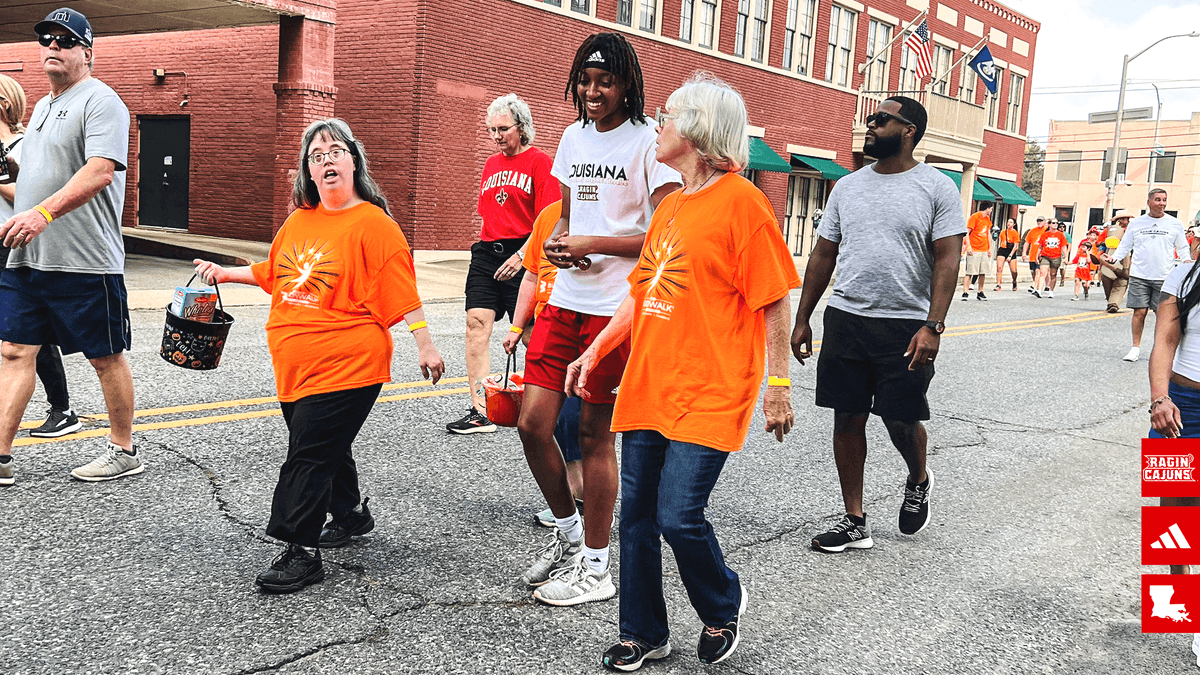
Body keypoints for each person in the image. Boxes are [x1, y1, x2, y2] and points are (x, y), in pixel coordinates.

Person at [561, 74, 797, 672]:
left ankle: (722, 601)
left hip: (711, 388)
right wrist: (596, 353)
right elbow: (642, 293)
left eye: (667, 116)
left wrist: (778, 385)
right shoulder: (670, 206)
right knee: (636, 515)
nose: (657, 124)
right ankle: (643, 633)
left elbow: (773, 298)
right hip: (649, 382)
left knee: (678, 515)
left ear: (695, 130)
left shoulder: (742, 202)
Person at [193, 118, 446, 593]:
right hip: (294, 363)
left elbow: (401, 289)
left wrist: (424, 342)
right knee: (324, 443)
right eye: (316, 155)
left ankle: (299, 550)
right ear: (307, 172)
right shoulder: (299, 220)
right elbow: (279, 270)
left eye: (334, 151)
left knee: (307, 452)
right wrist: (224, 274)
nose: (326, 159)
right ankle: (349, 514)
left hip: (349, 361)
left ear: (353, 160)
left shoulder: (374, 224)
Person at [516, 32, 681, 607]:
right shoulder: (570, 136)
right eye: (584, 81)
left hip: (616, 310)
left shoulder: (647, 143)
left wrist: (597, 243)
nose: (592, 91)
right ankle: (566, 536)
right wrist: (562, 245)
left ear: (626, 84)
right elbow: (565, 216)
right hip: (564, 299)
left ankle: (596, 564)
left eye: (604, 82)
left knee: (592, 437)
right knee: (532, 424)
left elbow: (661, 237)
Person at [791, 95, 965, 554]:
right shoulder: (847, 187)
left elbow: (948, 258)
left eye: (881, 120)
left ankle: (919, 476)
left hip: (906, 323)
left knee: (899, 419)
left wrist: (934, 325)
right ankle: (855, 520)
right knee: (846, 417)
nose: (870, 125)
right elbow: (823, 253)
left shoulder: (937, 188)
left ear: (909, 131)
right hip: (847, 317)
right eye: (871, 119)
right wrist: (804, 316)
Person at [0, 8, 137, 485]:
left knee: (105, 356)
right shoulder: (40, 107)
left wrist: (41, 214)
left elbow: (99, 171)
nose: (53, 46)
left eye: (65, 40)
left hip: (84, 260)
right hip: (27, 257)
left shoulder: (102, 102)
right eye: (47, 40)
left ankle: (124, 448)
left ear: (87, 52)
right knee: (15, 351)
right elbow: (34, 179)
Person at [447, 94, 558, 435]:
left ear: (522, 127)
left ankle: (546, 407)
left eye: (502, 129)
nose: (496, 136)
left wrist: (523, 255)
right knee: (476, 323)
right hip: (486, 251)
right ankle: (482, 410)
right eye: (491, 130)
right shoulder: (491, 164)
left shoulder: (540, 163)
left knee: (528, 335)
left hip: (523, 250)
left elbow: (549, 219)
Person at [0, 74, 81, 445]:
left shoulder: (23, 144)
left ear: (3, 104)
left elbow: (34, 199)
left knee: (24, 334)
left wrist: (1, 177)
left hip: (14, 245)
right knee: (16, 337)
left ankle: (62, 409)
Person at [501, 201, 586, 527]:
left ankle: (582, 499)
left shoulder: (606, 210)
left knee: (574, 421)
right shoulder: (549, 216)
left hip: (584, 330)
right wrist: (517, 326)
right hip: (548, 328)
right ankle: (570, 498)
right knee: (538, 423)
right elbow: (531, 278)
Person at [1146, 233, 1200, 670]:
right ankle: (1179, 607)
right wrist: (1160, 398)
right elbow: (1164, 341)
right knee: (1173, 511)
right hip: (1184, 404)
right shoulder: (1182, 276)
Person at [1111, 189, 1191, 362]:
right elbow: (1126, 244)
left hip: (1165, 277)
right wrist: (1114, 258)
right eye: (1157, 200)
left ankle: (1160, 348)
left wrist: (1187, 261)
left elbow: (1183, 247)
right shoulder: (1137, 223)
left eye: (1164, 200)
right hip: (1140, 275)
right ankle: (1135, 348)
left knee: (1163, 315)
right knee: (1139, 312)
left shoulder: (1174, 223)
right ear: (1148, 202)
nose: (1161, 203)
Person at [1095, 211, 1133, 313]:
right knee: (1107, 281)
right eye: (1126, 218)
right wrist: (1107, 242)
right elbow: (1098, 243)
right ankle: (1111, 302)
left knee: (1122, 281)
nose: (1128, 221)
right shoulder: (1109, 230)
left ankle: (1113, 303)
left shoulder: (1131, 230)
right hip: (1109, 257)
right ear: (1120, 220)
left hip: (1126, 258)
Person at [961, 203, 991, 300]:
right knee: (970, 271)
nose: (991, 211)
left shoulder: (987, 219)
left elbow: (988, 234)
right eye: (991, 209)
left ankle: (980, 291)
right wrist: (968, 246)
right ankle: (965, 292)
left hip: (984, 249)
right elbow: (967, 232)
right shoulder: (975, 217)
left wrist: (989, 248)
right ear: (987, 208)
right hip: (974, 249)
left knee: (983, 272)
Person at [1033, 220, 1068, 298]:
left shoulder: (1060, 235)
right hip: (1045, 256)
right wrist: (1037, 255)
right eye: (1053, 223)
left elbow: (1063, 246)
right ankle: (1039, 290)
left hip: (1056, 257)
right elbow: (1040, 246)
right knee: (1043, 273)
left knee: (1053, 274)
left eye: (1056, 223)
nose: (1055, 224)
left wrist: (1066, 256)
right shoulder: (1045, 235)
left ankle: (1051, 291)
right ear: (1049, 225)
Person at [994, 216, 1021, 292]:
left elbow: (1016, 246)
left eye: (1011, 222)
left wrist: (1010, 256)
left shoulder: (1015, 233)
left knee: (1014, 270)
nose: (1009, 223)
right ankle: (998, 284)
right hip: (1003, 249)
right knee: (999, 268)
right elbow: (1001, 241)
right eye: (1008, 222)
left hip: (1011, 250)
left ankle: (1014, 281)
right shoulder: (1003, 232)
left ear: (1014, 224)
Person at [1023, 216, 1047, 293]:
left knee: (1038, 271)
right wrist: (1024, 253)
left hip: (1041, 255)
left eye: (1041, 221)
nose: (1039, 222)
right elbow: (1027, 242)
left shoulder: (1046, 231)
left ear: (1044, 222)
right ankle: (1036, 284)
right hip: (1032, 255)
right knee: (1033, 271)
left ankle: (1035, 286)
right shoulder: (1032, 231)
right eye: (1038, 221)